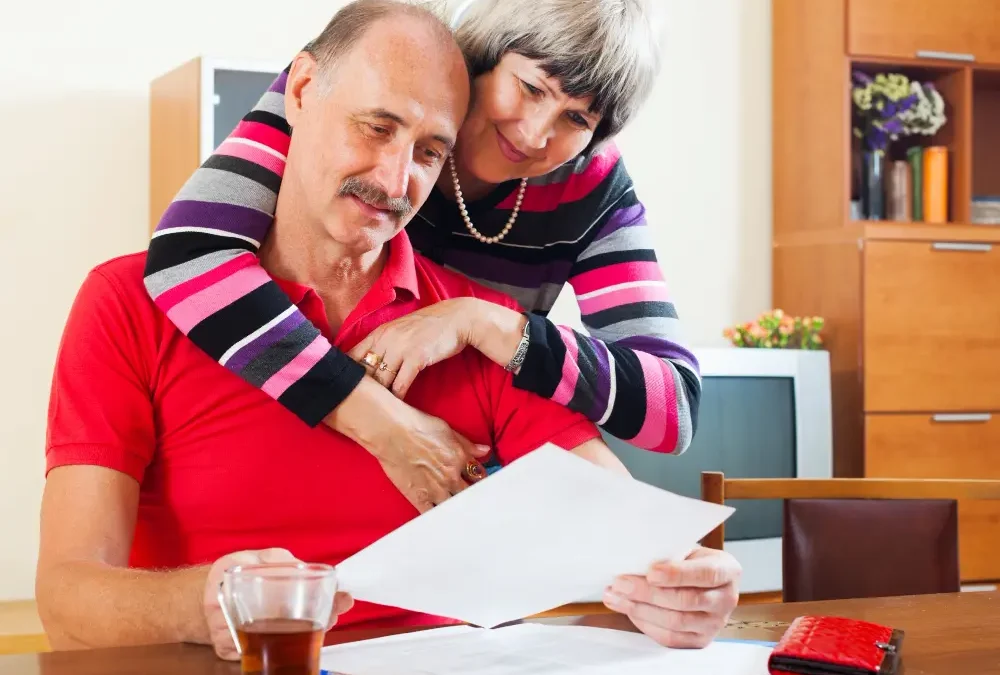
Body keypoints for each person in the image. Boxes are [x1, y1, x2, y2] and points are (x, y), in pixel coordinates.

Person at [38, 0, 740, 661]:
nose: (395, 177)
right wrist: (202, 603)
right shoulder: (134, 300)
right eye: (376, 128)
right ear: (303, 94)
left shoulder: (480, 323)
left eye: (432, 151)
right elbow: (67, 600)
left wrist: (684, 585)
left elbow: (635, 509)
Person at [142, 0, 701, 513]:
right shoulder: (379, 79)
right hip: (301, 417)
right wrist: (382, 422)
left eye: (577, 120)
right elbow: (190, 253)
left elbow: (672, 407)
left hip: (455, 477)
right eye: (531, 87)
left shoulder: (592, 187)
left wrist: (483, 321)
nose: (534, 135)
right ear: (485, 55)